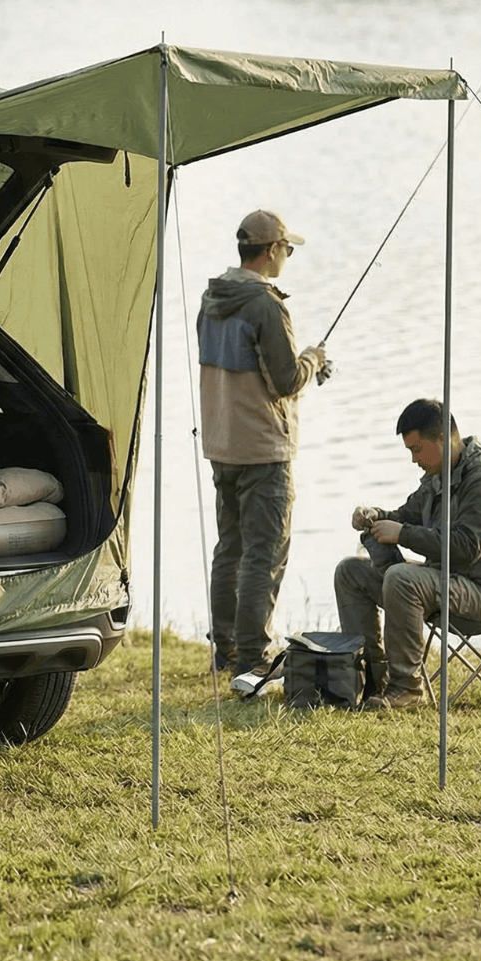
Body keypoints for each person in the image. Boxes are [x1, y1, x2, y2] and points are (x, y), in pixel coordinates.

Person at [197, 209, 327, 692]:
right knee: (264, 554)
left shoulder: (212, 298)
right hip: (264, 451)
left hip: (222, 444)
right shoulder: (266, 306)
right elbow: (286, 380)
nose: (288, 256)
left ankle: (226, 648)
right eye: (287, 249)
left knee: (229, 549)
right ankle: (252, 660)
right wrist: (313, 358)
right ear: (271, 250)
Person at [335, 399, 481, 709]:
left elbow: (466, 549)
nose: (413, 460)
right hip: (446, 582)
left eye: (417, 450)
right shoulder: (438, 473)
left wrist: (402, 534)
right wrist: (376, 515)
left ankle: (406, 689)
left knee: (402, 578)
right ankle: (369, 680)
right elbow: (406, 515)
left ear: (443, 439)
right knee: (350, 571)